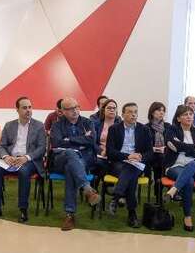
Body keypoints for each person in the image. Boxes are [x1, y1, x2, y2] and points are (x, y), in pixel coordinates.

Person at [0, 97, 46, 223]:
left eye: (30, 107)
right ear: (17, 110)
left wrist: (26, 157)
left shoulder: (39, 126)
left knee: (24, 171)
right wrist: (6, 157)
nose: (28, 110)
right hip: (11, 159)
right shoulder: (9, 125)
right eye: (24, 108)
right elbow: (1, 146)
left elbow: (42, 148)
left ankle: (23, 209)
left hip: (29, 161)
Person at [49, 97, 101, 231]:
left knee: (70, 168)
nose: (75, 110)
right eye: (71, 108)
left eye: (77, 107)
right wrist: (80, 141)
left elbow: (91, 140)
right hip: (60, 159)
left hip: (83, 160)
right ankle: (87, 189)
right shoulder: (57, 125)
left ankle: (70, 214)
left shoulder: (87, 122)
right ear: (62, 111)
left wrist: (69, 140)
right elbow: (57, 143)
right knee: (70, 154)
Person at [105, 103, 153, 228]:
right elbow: (110, 152)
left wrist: (140, 156)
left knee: (131, 169)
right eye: (130, 112)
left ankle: (116, 197)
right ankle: (132, 213)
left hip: (138, 163)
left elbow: (150, 152)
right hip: (119, 162)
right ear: (123, 114)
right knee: (131, 175)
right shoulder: (114, 129)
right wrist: (128, 156)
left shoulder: (144, 129)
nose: (133, 115)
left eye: (135, 112)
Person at [163, 105, 195, 231]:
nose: (189, 116)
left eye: (191, 114)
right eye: (185, 114)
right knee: (189, 181)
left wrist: (184, 147)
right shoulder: (171, 130)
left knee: (192, 165)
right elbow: (174, 146)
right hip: (175, 165)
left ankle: (173, 190)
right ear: (178, 118)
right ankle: (187, 216)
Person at [92, 98, 121, 180]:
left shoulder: (120, 125)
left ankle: (106, 183)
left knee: (117, 166)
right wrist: (101, 151)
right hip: (100, 154)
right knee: (99, 163)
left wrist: (111, 151)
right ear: (103, 110)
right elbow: (92, 142)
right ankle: (98, 183)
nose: (112, 110)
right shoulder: (96, 124)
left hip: (115, 155)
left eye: (114, 108)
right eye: (109, 108)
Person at [146, 101, 168, 184]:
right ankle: (159, 182)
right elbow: (144, 144)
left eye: (163, 110)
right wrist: (154, 148)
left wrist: (165, 148)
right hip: (151, 153)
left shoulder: (168, 126)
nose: (161, 112)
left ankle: (159, 182)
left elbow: (171, 142)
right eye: (159, 110)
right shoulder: (146, 127)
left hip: (164, 153)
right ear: (152, 112)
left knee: (162, 157)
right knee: (159, 157)